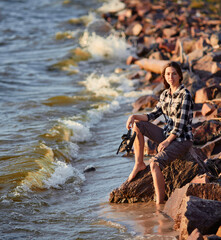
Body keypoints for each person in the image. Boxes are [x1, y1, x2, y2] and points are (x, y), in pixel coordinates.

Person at [126, 61, 193, 204]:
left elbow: (180, 126)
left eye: (174, 73)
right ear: (164, 77)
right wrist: (134, 116)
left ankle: (160, 203)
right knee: (138, 125)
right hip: (167, 134)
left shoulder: (184, 95)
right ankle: (138, 164)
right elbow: (152, 116)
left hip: (182, 139)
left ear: (180, 76)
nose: (171, 77)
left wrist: (167, 141)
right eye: (168, 74)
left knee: (155, 163)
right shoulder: (165, 95)